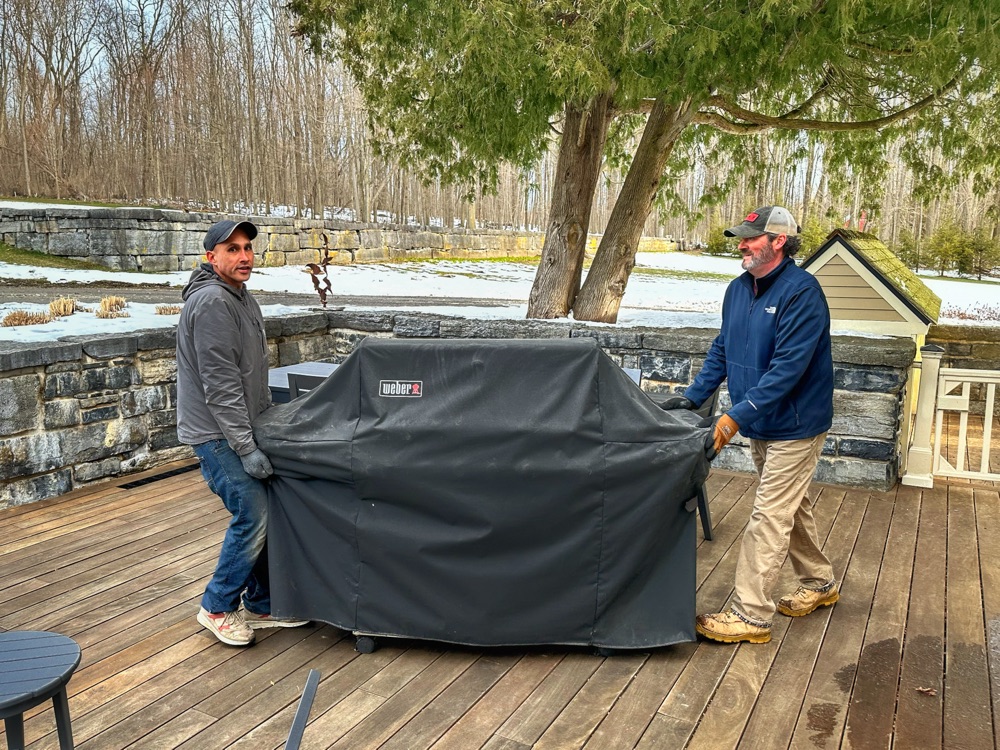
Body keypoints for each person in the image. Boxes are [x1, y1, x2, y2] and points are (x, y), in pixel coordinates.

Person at [663, 206, 838, 644]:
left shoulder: (803, 293)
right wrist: (693, 397)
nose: (741, 244)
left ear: (778, 241)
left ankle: (751, 614)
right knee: (789, 505)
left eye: (750, 238)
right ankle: (820, 583)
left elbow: (788, 370)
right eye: (740, 237)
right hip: (761, 420)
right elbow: (722, 349)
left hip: (796, 424)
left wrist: (733, 418)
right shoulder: (738, 290)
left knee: (768, 514)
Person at [176, 219, 308, 646]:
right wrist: (247, 447)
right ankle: (216, 606)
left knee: (265, 507)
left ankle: (263, 599)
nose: (244, 256)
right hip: (217, 434)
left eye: (247, 247)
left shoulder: (240, 296)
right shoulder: (214, 302)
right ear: (210, 256)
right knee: (253, 512)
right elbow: (221, 385)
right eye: (231, 249)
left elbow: (249, 374)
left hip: (238, 427)